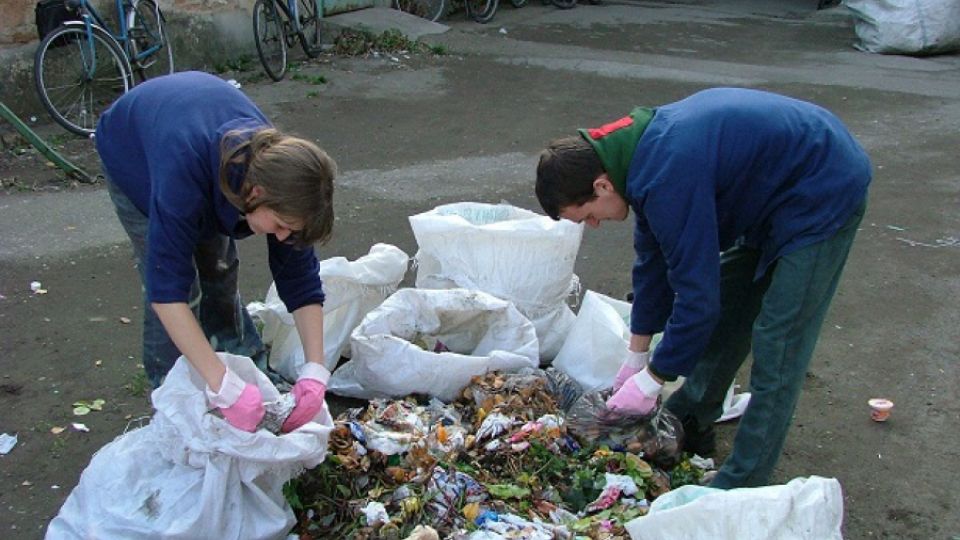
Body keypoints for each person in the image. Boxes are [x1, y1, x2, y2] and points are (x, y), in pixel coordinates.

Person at [536, 87, 871, 488]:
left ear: (602, 186)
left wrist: (653, 380)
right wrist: (636, 356)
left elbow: (697, 300)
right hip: (768, 191)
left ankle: (743, 481)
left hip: (822, 186)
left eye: (587, 215)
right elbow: (653, 263)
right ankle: (691, 419)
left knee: (778, 343)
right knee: (732, 307)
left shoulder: (666, 173)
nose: (593, 225)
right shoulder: (632, 160)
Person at [96, 71, 336, 433]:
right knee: (182, 285)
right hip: (135, 151)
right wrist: (223, 386)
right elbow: (167, 295)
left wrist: (316, 369)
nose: (284, 235)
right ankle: (174, 396)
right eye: (282, 225)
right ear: (254, 194)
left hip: (198, 131)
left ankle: (244, 369)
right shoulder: (183, 178)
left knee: (219, 268)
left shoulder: (284, 180)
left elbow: (300, 278)